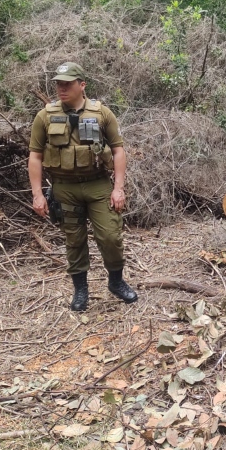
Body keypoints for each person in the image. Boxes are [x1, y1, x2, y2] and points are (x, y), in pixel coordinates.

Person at [28, 62, 137, 311]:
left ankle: (116, 282)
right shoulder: (45, 116)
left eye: (67, 83)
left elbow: (119, 151)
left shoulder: (102, 113)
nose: (61, 88)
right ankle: (80, 290)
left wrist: (118, 188)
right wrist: (37, 194)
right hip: (64, 188)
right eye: (58, 84)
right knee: (74, 241)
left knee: (110, 236)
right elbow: (34, 156)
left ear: (82, 85)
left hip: (97, 185)